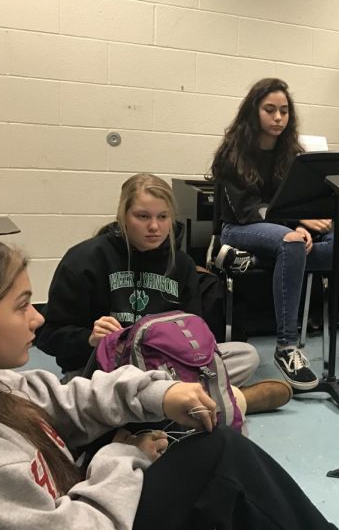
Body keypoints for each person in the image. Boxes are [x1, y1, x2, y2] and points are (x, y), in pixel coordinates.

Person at [0, 240, 339, 530]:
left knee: (202, 428)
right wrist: (125, 455)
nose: (37, 317)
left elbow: (72, 398)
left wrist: (161, 393)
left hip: (87, 529)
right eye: (22, 306)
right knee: (217, 455)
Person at [36, 173, 292, 415]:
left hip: (164, 367)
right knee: (98, 388)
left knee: (246, 355)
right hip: (103, 369)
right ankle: (228, 400)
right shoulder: (85, 259)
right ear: (123, 216)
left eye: (163, 217)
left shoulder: (181, 264)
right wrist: (89, 338)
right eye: (142, 216)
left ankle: (159, 406)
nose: (154, 227)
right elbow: (48, 336)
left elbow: (195, 331)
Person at [210, 78, 339, 391]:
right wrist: (297, 223)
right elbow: (246, 213)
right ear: (254, 112)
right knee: (290, 243)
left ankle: (261, 258)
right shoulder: (232, 152)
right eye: (270, 110)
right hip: (238, 228)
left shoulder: (293, 153)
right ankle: (286, 347)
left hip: (283, 234)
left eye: (284, 111)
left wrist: (302, 225)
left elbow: (300, 201)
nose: (278, 117)